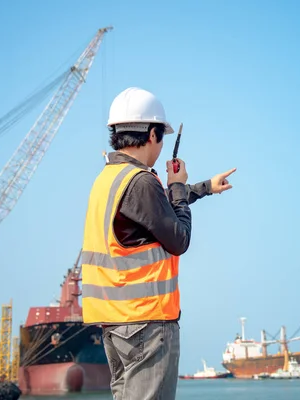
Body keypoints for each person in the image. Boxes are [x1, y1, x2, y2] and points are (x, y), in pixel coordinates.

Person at [80, 87, 236, 400]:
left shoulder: (109, 179)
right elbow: (178, 239)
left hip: (115, 325)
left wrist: (203, 188)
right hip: (147, 324)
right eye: (161, 137)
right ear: (152, 134)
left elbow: (152, 212)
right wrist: (177, 187)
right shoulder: (140, 181)